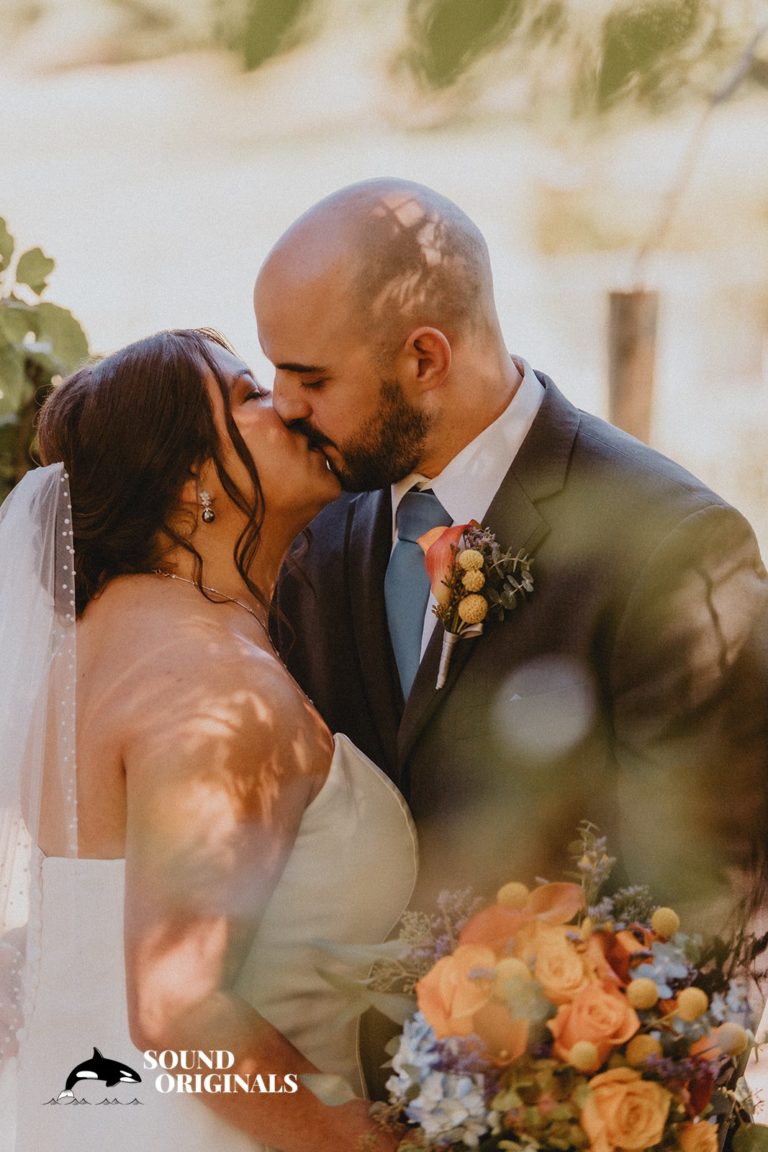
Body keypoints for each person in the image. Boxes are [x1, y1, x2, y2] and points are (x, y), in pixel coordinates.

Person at [262, 178, 768, 926]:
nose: (283, 405)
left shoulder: (672, 548)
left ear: (426, 360)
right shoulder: (315, 531)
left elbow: (705, 899)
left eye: (312, 378)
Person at [0, 329, 416, 1151]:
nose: (291, 405)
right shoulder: (214, 685)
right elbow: (178, 1011)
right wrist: (373, 1146)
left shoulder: (89, 655)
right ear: (192, 478)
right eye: (249, 397)